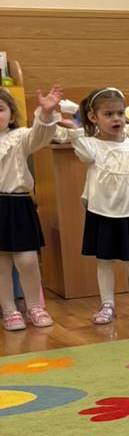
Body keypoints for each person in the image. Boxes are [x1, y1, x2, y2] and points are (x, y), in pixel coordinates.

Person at [71, 87, 129, 326]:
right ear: (93, 117)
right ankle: (107, 304)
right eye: (108, 114)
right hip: (101, 211)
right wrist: (73, 128)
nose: (116, 119)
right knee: (104, 260)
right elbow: (83, 153)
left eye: (120, 113)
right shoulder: (91, 145)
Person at [0, 82, 63, 330]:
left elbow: (40, 135)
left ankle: (35, 306)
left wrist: (46, 112)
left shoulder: (19, 137)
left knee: (27, 260)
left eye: (0, 109)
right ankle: (9, 310)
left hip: (17, 204)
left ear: (11, 115)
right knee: (1, 263)